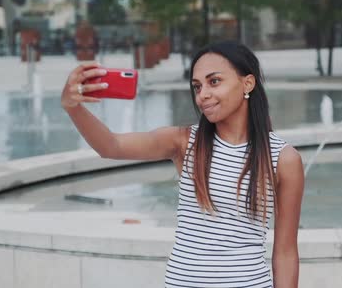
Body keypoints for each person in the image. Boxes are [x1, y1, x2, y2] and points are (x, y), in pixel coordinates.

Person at [61, 41, 305, 288]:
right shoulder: (185, 142)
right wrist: (73, 108)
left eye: (214, 81)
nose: (203, 95)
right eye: (197, 87)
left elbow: (285, 253)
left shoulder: (284, 159)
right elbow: (111, 146)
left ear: (247, 83)